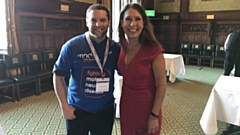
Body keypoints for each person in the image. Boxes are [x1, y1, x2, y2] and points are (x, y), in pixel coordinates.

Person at [52, 4, 120, 135]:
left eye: (102, 20)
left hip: (105, 111)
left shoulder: (115, 48)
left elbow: (128, 73)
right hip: (78, 111)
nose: (98, 24)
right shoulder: (72, 46)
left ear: (109, 22)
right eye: (93, 20)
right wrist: (64, 106)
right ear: (87, 22)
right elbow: (58, 75)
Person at [118, 3, 167, 135]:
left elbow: (161, 85)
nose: (133, 24)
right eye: (128, 19)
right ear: (122, 23)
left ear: (144, 23)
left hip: (147, 107)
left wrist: (154, 115)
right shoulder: (121, 48)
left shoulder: (154, 50)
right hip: (127, 105)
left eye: (137, 19)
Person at [222, 30, 240, 134]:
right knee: (238, 70)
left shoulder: (231, 34)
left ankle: (224, 83)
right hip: (237, 53)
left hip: (228, 52)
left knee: (227, 69)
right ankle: (236, 85)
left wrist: (227, 52)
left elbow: (225, 44)